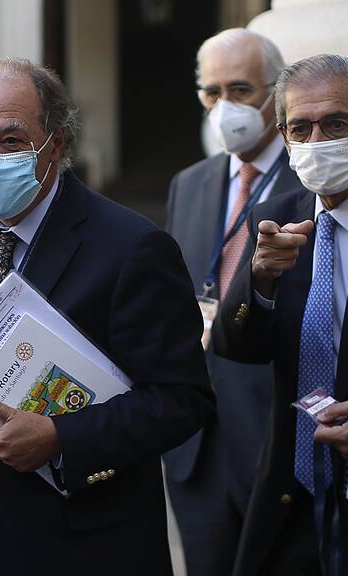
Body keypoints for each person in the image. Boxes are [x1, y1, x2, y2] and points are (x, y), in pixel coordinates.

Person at [0, 57, 214, 576]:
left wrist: (62, 437)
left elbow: (183, 400)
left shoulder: (132, 247)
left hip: (86, 547)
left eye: (11, 140)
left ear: (58, 144)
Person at [163, 29, 303, 575]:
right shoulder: (190, 184)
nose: (225, 108)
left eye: (241, 90)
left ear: (276, 92)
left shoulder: (312, 179)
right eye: (211, 92)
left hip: (276, 433)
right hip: (196, 443)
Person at [214, 53, 348, 576]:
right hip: (293, 490)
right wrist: (259, 279)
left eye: (336, 123)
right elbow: (234, 347)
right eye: (301, 128)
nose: (318, 141)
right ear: (284, 138)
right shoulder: (278, 215)